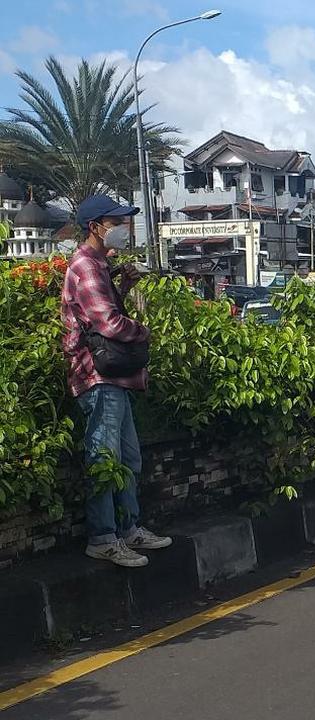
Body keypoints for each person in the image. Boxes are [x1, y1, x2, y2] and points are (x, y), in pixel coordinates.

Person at [61, 195, 173, 567]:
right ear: (96, 226)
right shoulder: (88, 268)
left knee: (127, 458)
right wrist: (144, 331)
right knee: (105, 458)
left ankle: (128, 529)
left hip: (111, 376)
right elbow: (109, 325)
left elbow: (101, 315)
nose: (123, 230)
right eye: (116, 222)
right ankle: (104, 537)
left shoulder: (99, 265)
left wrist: (122, 288)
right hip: (97, 375)